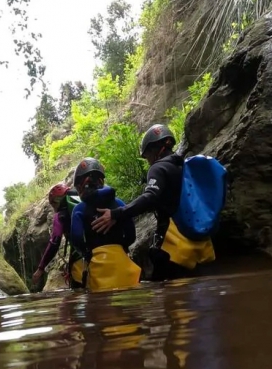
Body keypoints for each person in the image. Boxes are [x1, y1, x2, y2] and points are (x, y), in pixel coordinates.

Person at [91, 124, 216, 281]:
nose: (148, 161)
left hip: (174, 243)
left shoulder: (158, 168)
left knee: (167, 294)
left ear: (154, 150)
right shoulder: (183, 166)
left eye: (147, 156)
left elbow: (150, 197)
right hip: (200, 239)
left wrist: (116, 214)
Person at [70, 158, 141, 292]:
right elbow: (131, 235)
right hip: (124, 268)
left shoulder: (79, 209)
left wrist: (87, 253)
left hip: (99, 270)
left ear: (81, 184)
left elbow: (76, 238)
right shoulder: (119, 204)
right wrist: (122, 246)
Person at [32, 182, 84, 288]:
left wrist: (41, 268)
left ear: (56, 202)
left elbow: (55, 241)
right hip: (100, 251)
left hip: (80, 258)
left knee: (78, 296)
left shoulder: (59, 216)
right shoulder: (83, 202)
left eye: (53, 205)